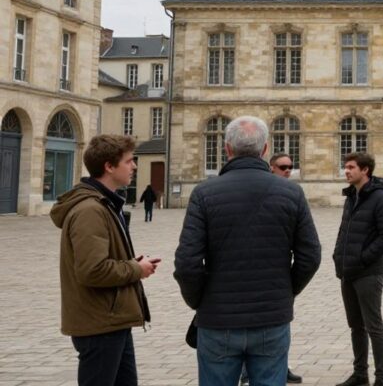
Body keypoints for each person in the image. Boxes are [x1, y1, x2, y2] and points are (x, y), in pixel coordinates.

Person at [174, 116, 321, 386]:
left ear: (227, 149)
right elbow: (310, 256)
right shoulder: (291, 193)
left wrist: (200, 300)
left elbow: (187, 263)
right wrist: (285, 291)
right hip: (271, 316)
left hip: (218, 318)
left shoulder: (204, 193)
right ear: (266, 150)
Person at [50, 134, 158, 386]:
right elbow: (92, 270)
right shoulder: (90, 210)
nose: (134, 166)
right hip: (100, 322)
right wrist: (135, 268)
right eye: (129, 161)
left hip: (113, 319)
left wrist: (132, 262)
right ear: (109, 166)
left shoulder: (104, 204)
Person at [238, 153, 305, 385]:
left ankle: (281, 365)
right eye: (283, 167)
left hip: (277, 279)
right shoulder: (262, 192)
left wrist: (291, 284)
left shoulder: (291, 194)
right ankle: (248, 370)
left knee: (278, 327)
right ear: (271, 167)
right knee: (253, 324)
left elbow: (307, 250)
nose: (287, 171)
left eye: (290, 167)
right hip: (251, 276)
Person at [333, 152, 383, 386]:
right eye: (345, 167)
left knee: (374, 326)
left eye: (350, 167)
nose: (346, 171)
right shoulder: (351, 197)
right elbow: (344, 231)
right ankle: (360, 374)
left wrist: (363, 258)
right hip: (347, 271)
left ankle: (381, 379)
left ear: (365, 170)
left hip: (368, 272)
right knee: (355, 326)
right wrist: (338, 256)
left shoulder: (382, 199)